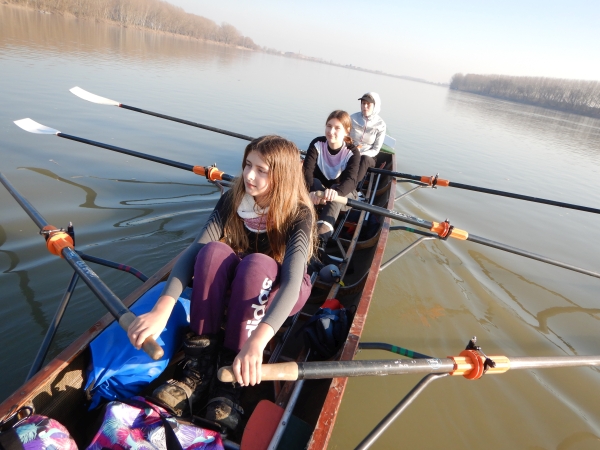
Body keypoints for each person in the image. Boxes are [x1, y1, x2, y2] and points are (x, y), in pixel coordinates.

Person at [127, 135, 316, 433]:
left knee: (257, 265)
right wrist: (163, 308)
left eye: (262, 170)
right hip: (247, 277)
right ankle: (198, 365)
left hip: (282, 290)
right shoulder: (233, 198)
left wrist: (258, 342)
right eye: (247, 165)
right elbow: (193, 250)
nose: (250, 176)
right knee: (211, 252)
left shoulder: (299, 214)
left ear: (283, 175)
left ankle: (232, 377)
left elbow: (292, 283)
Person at [303, 110, 360, 246]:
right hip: (319, 192)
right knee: (313, 182)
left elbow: (351, 181)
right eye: (329, 126)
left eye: (337, 128)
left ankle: (321, 237)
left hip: (343, 195)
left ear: (346, 131)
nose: (331, 131)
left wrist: (337, 193)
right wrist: (311, 189)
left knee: (334, 189)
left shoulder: (352, 152)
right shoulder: (317, 144)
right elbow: (307, 171)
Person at [350, 92, 386, 182]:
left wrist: (360, 154)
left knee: (364, 159)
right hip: (351, 150)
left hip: (368, 157)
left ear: (375, 106)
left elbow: (376, 150)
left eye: (368, 104)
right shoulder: (352, 118)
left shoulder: (381, 125)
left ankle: (353, 186)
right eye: (363, 103)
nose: (365, 107)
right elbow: (344, 138)